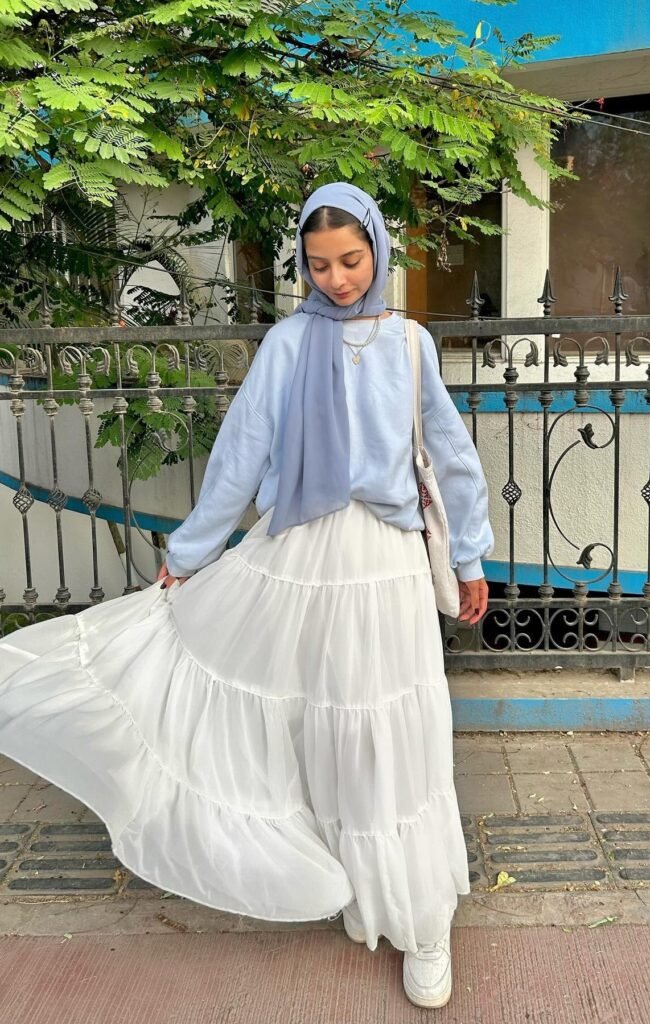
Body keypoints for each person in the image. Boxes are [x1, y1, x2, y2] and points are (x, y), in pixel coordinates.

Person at [0, 182, 493, 1009]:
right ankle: (350, 879)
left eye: (351, 259)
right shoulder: (289, 345)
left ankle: (420, 921)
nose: (336, 278)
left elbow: (450, 454)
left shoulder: (410, 343)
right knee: (315, 724)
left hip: (386, 565)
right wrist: (188, 556)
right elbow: (240, 454)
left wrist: (471, 556)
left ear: (377, 250)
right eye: (318, 263)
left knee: (392, 735)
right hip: (297, 552)